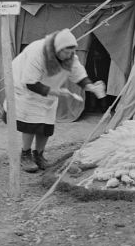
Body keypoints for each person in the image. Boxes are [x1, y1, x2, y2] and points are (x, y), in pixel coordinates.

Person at [10, 28, 106, 173]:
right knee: (31, 121)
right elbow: (30, 82)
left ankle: (39, 155)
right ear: (57, 49)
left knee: (46, 123)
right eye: (66, 52)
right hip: (26, 86)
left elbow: (79, 75)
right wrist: (53, 91)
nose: (69, 55)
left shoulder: (70, 57)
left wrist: (92, 87)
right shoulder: (38, 53)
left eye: (71, 52)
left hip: (49, 86)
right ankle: (25, 154)